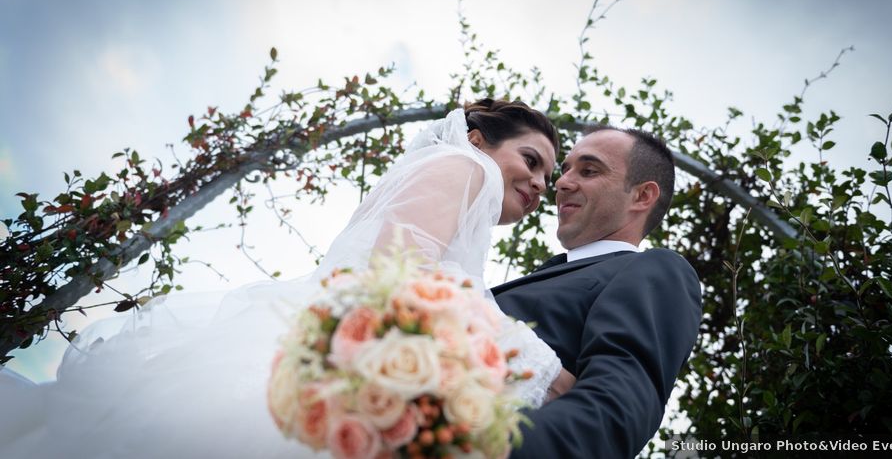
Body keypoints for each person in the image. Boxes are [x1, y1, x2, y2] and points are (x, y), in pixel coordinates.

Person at [0, 99, 567, 458]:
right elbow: (405, 278)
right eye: (531, 159)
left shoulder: (459, 182)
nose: (541, 183)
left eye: (549, 174)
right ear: (476, 140)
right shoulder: (465, 168)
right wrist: (532, 358)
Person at [493, 126, 703, 458]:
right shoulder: (550, 273)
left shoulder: (654, 270)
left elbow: (614, 410)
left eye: (589, 171)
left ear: (641, 196)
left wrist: (480, 449)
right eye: (564, 171)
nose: (560, 184)